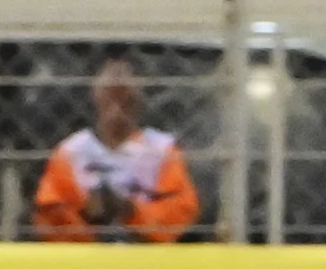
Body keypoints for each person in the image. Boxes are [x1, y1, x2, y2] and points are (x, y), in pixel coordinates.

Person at [34, 57, 202, 244]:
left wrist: (131, 211)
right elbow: (49, 214)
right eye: (110, 98)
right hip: (87, 253)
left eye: (125, 100)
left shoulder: (162, 149)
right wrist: (88, 217)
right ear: (96, 97)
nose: (117, 108)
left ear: (138, 100)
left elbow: (181, 208)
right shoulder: (71, 151)